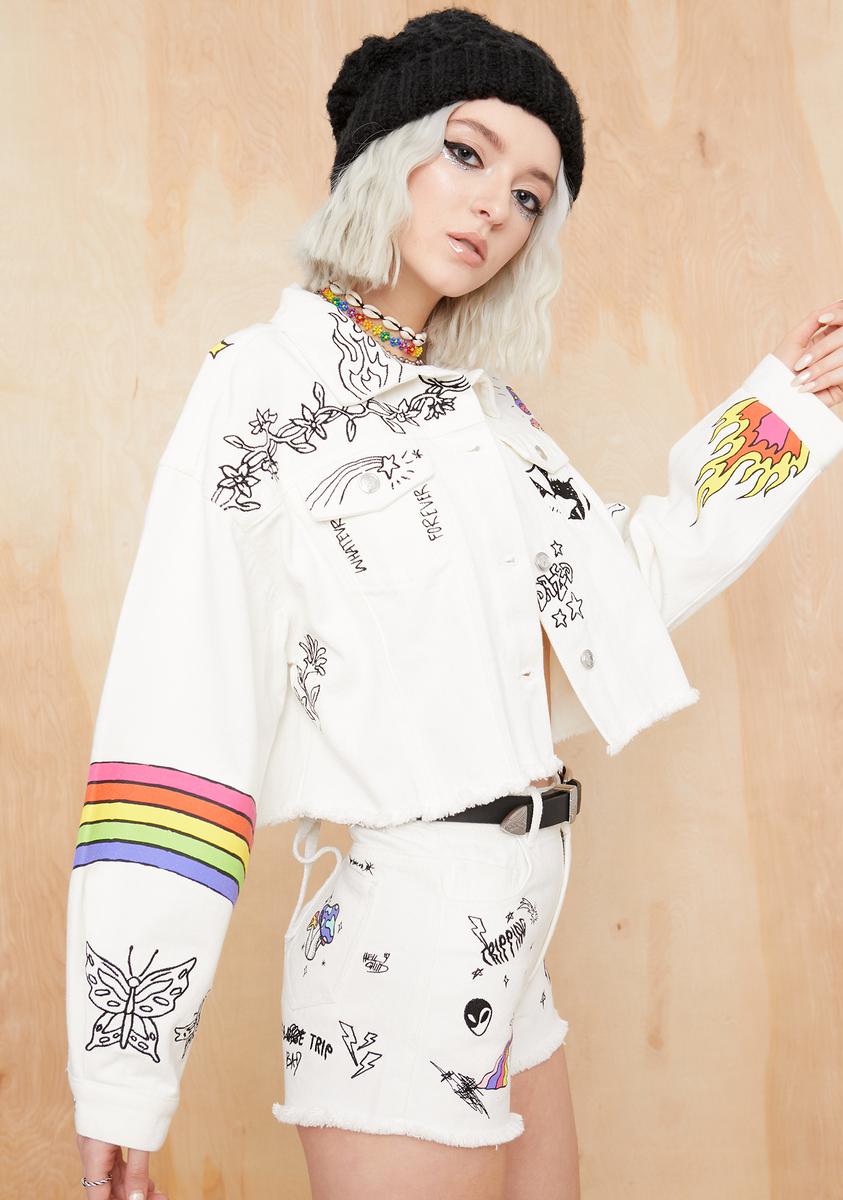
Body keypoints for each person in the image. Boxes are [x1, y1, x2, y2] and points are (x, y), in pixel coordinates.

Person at [68, 9, 843, 1200]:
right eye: (468, 153)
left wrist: (781, 420)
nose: (494, 208)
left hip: (517, 941)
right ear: (390, 151)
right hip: (398, 956)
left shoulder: (483, 417)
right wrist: (125, 1080)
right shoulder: (260, 394)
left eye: (531, 196)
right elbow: (179, 721)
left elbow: (612, 601)